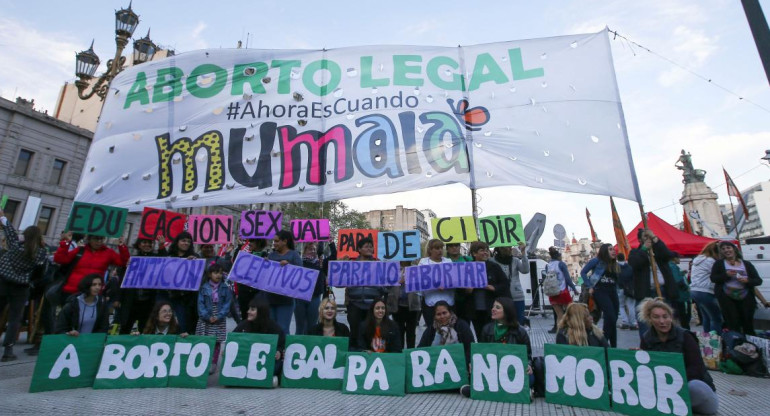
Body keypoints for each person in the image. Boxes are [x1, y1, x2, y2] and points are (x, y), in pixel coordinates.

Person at [639, 298, 718, 415]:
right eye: (656, 317)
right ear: (649, 319)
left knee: (697, 388)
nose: (662, 321)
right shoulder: (646, 338)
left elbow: (696, 368)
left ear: (671, 317)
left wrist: (674, 384)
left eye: (665, 317)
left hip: (687, 386)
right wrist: (637, 357)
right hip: (664, 391)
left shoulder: (685, 336)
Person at [0, 210, 49, 361]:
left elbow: (9, 230)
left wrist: (3, 216)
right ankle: (8, 350)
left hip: (3, 281)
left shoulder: (15, 245)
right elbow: (41, 271)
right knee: (15, 318)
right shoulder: (40, 253)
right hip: (21, 287)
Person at [628, 228, 677, 337]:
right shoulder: (636, 252)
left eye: (650, 237)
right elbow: (634, 262)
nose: (649, 239)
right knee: (644, 323)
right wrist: (644, 249)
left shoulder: (658, 251)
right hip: (645, 293)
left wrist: (656, 239)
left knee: (665, 321)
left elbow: (668, 254)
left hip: (663, 291)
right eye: (646, 237)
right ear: (640, 240)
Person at [53, 233, 130, 302]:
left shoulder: (108, 252)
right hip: (72, 290)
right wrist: (65, 242)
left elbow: (124, 262)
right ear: (89, 239)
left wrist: (122, 246)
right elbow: (59, 259)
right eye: (96, 238)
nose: (99, 241)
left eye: (102, 239)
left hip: (92, 294)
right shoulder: (80, 250)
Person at [710, 241, 763, 335]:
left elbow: (758, 280)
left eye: (728, 248)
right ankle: (736, 343)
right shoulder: (719, 264)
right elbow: (713, 278)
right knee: (733, 322)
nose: (726, 250)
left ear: (734, 249)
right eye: (723, 249)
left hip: (746, 296)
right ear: (721, 252)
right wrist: (726, 275)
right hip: (727, 297)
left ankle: (750, 344)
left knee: (747, 322)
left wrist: (747, 280)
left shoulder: (746, 264)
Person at [116, 236, 165, 334]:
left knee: (146, 329)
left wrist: (161, 245)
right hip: (131, 300)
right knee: (125, 328)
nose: (147, 245)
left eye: (150, 243)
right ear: (139, 245)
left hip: (148, 301)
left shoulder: (156, 259)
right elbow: (122, 280)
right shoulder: (132, 259)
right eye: (144, 242)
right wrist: (118, 299)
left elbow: (165, 261)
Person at [345, 237, 388, 346]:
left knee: (371, 332)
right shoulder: (351, 265)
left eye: (371, 246)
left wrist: (380, 289)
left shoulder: (379, 265)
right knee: (354, 332)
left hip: (372, 305)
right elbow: (339, 282)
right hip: (354, 303)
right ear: (359, 249)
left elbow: (386, 285)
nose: (369, 249)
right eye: (366, 246)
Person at [233, 298, 285, 385]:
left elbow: (282, 344)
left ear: (261, 312)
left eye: (252, 309)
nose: (248, 311)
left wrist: (279, 352)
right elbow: (233, 339)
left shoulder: (274, 327)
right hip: (247, 361)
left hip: (264, 363)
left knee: (277, 366)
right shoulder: (243, 324)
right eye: (249, 309)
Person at [260, 230, 302, 335]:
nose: (274, 243)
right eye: (274, 241)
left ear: (285, 241)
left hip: (286, 300)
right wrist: (264, 265)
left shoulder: (294, 255)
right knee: (271, 329)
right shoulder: (272, 255)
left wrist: (289, 266)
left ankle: (283, 350)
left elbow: (301, 273)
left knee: (283, 329)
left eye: (276, 241)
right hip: (270, 299)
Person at [467, 241, 510, 341]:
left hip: (491, 309)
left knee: (492, 336)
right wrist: (467, 290)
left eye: (487, 250)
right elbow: (460, 288)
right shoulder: (467, 267)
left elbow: (505, 285)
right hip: (474, 310)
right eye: (482, 250)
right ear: (474, 253)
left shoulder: (494, 267)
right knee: (480, 335)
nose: (486, 252)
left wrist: (493, 288)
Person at [580, 243, 620, 347]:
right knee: (610, 316)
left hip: (612, 291)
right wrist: (589, 286)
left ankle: (613, 346)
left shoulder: (614, 264)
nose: (613, 251)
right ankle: (603, 342)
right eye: (610, 249)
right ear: (604, 251)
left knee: (613, 319)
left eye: (613, 249)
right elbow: (583, 272)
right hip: (600, 290)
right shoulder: (597, 261)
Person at [159, 231, 200, 333]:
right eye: (183, 241)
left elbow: (196, 277)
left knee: (182, 325)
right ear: (177, 242)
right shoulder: (169, 256)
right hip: (167, 296)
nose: (186, 243)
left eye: (189, 242)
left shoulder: (194, 257)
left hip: (183, 299)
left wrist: (193, 265)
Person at [196, 263, 233, 374]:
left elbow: (227, 304)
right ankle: (203, 361)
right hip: (206, 317)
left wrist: (219, 316)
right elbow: (200, 304)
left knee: (217, 341)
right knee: (205, 339)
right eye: (216, 273)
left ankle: (213, 363)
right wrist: (207, 316)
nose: (218, 275)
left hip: (219, 317)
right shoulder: (204, 288)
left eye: (221, 273)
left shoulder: (225, 288)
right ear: (209, 274)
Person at [490, 242, 529, 327]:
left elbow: (525, 270)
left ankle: (518, 339)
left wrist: (523, 253)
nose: (510, 249)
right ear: (500, 249)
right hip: (500, 298)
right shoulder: (492, 261)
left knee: (519, 323)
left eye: (510, 247)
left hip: (517, 296)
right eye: (507, 247)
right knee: (502, 323)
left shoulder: (515, 260)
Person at [418, 239, 454, 327]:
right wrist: (434, 285)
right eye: (437, 248)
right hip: (430, 302)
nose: (440, 250)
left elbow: (454, 280)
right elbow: (418, 282)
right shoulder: (423, 262)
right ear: (430, 250)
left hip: (448, 301)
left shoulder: (448, 261)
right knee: (432, 329)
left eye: (441, 248)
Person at [689, 242, 722, 333]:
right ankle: (715, 341)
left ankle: (706, 339)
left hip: (695, 290)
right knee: (716, 318)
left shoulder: (698, 260)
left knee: (706, 317)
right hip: (705, 290)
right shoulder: (710, 261)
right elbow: (718, 274)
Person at [294, 242, 326, 335]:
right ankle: (297, 345)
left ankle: (310, 346)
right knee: (300, 326)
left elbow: (334, 255)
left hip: (315, 297)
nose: (312, 251)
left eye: (314, 249)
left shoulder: (320, 263)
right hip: (300, 297)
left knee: (312, 326)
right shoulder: (299, 263)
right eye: (310, 249)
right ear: (304, 251)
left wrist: (331, 242)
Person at [544, 246, 577, 333]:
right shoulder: (561, 264)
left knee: (559, 315)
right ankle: (571, 331)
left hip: (553, 293)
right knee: (570, 313)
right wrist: (574, 289)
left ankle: (560, 333)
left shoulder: (547, 265)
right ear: (559, 257)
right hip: (563, 292)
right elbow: (567, 279)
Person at [389, 260, 421, 349]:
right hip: (397, 306)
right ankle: (400, 352)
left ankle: (411, 351)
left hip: (412, 305)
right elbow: (387, 285)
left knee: (411, 332)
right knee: (399, 331)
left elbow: (422, 285)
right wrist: (399, 281)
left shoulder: (416, 268)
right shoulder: (392, 269)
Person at [236, 239, 269, 321]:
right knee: (245, 315)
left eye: (252, 242)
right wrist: (239, 248)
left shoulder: (266, 255)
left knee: (258, 317)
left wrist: (267, 262)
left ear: (258, 243)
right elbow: (236, 264)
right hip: (244, 290)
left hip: (257, 292)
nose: (249, 243)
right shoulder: (245, 254)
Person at [446, 242, 474, 325]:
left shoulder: (469, 260)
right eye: (451, 246)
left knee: (465, 326)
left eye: (456, 245)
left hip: (465, 299)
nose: (454, 248)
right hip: (449, 299)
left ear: (459, 247)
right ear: (447, 248)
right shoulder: (443, 262)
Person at [669, 252, 691, 329]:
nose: (680, 259)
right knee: (684, 317)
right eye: (678, 258)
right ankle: (686, 333)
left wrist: (681, 273)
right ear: (674, 258)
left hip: (676, 295)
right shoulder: (673, 266)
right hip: (681, 295)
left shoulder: (670, 266)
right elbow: (677, 280)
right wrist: (686, 288)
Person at [616, 253, 638, 330]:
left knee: (621, 306)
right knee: (631, 306)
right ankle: (633, 322)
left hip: (620, 288)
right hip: (630, 288)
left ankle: (625, 322)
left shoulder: (616, 267)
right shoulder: (629, 267)